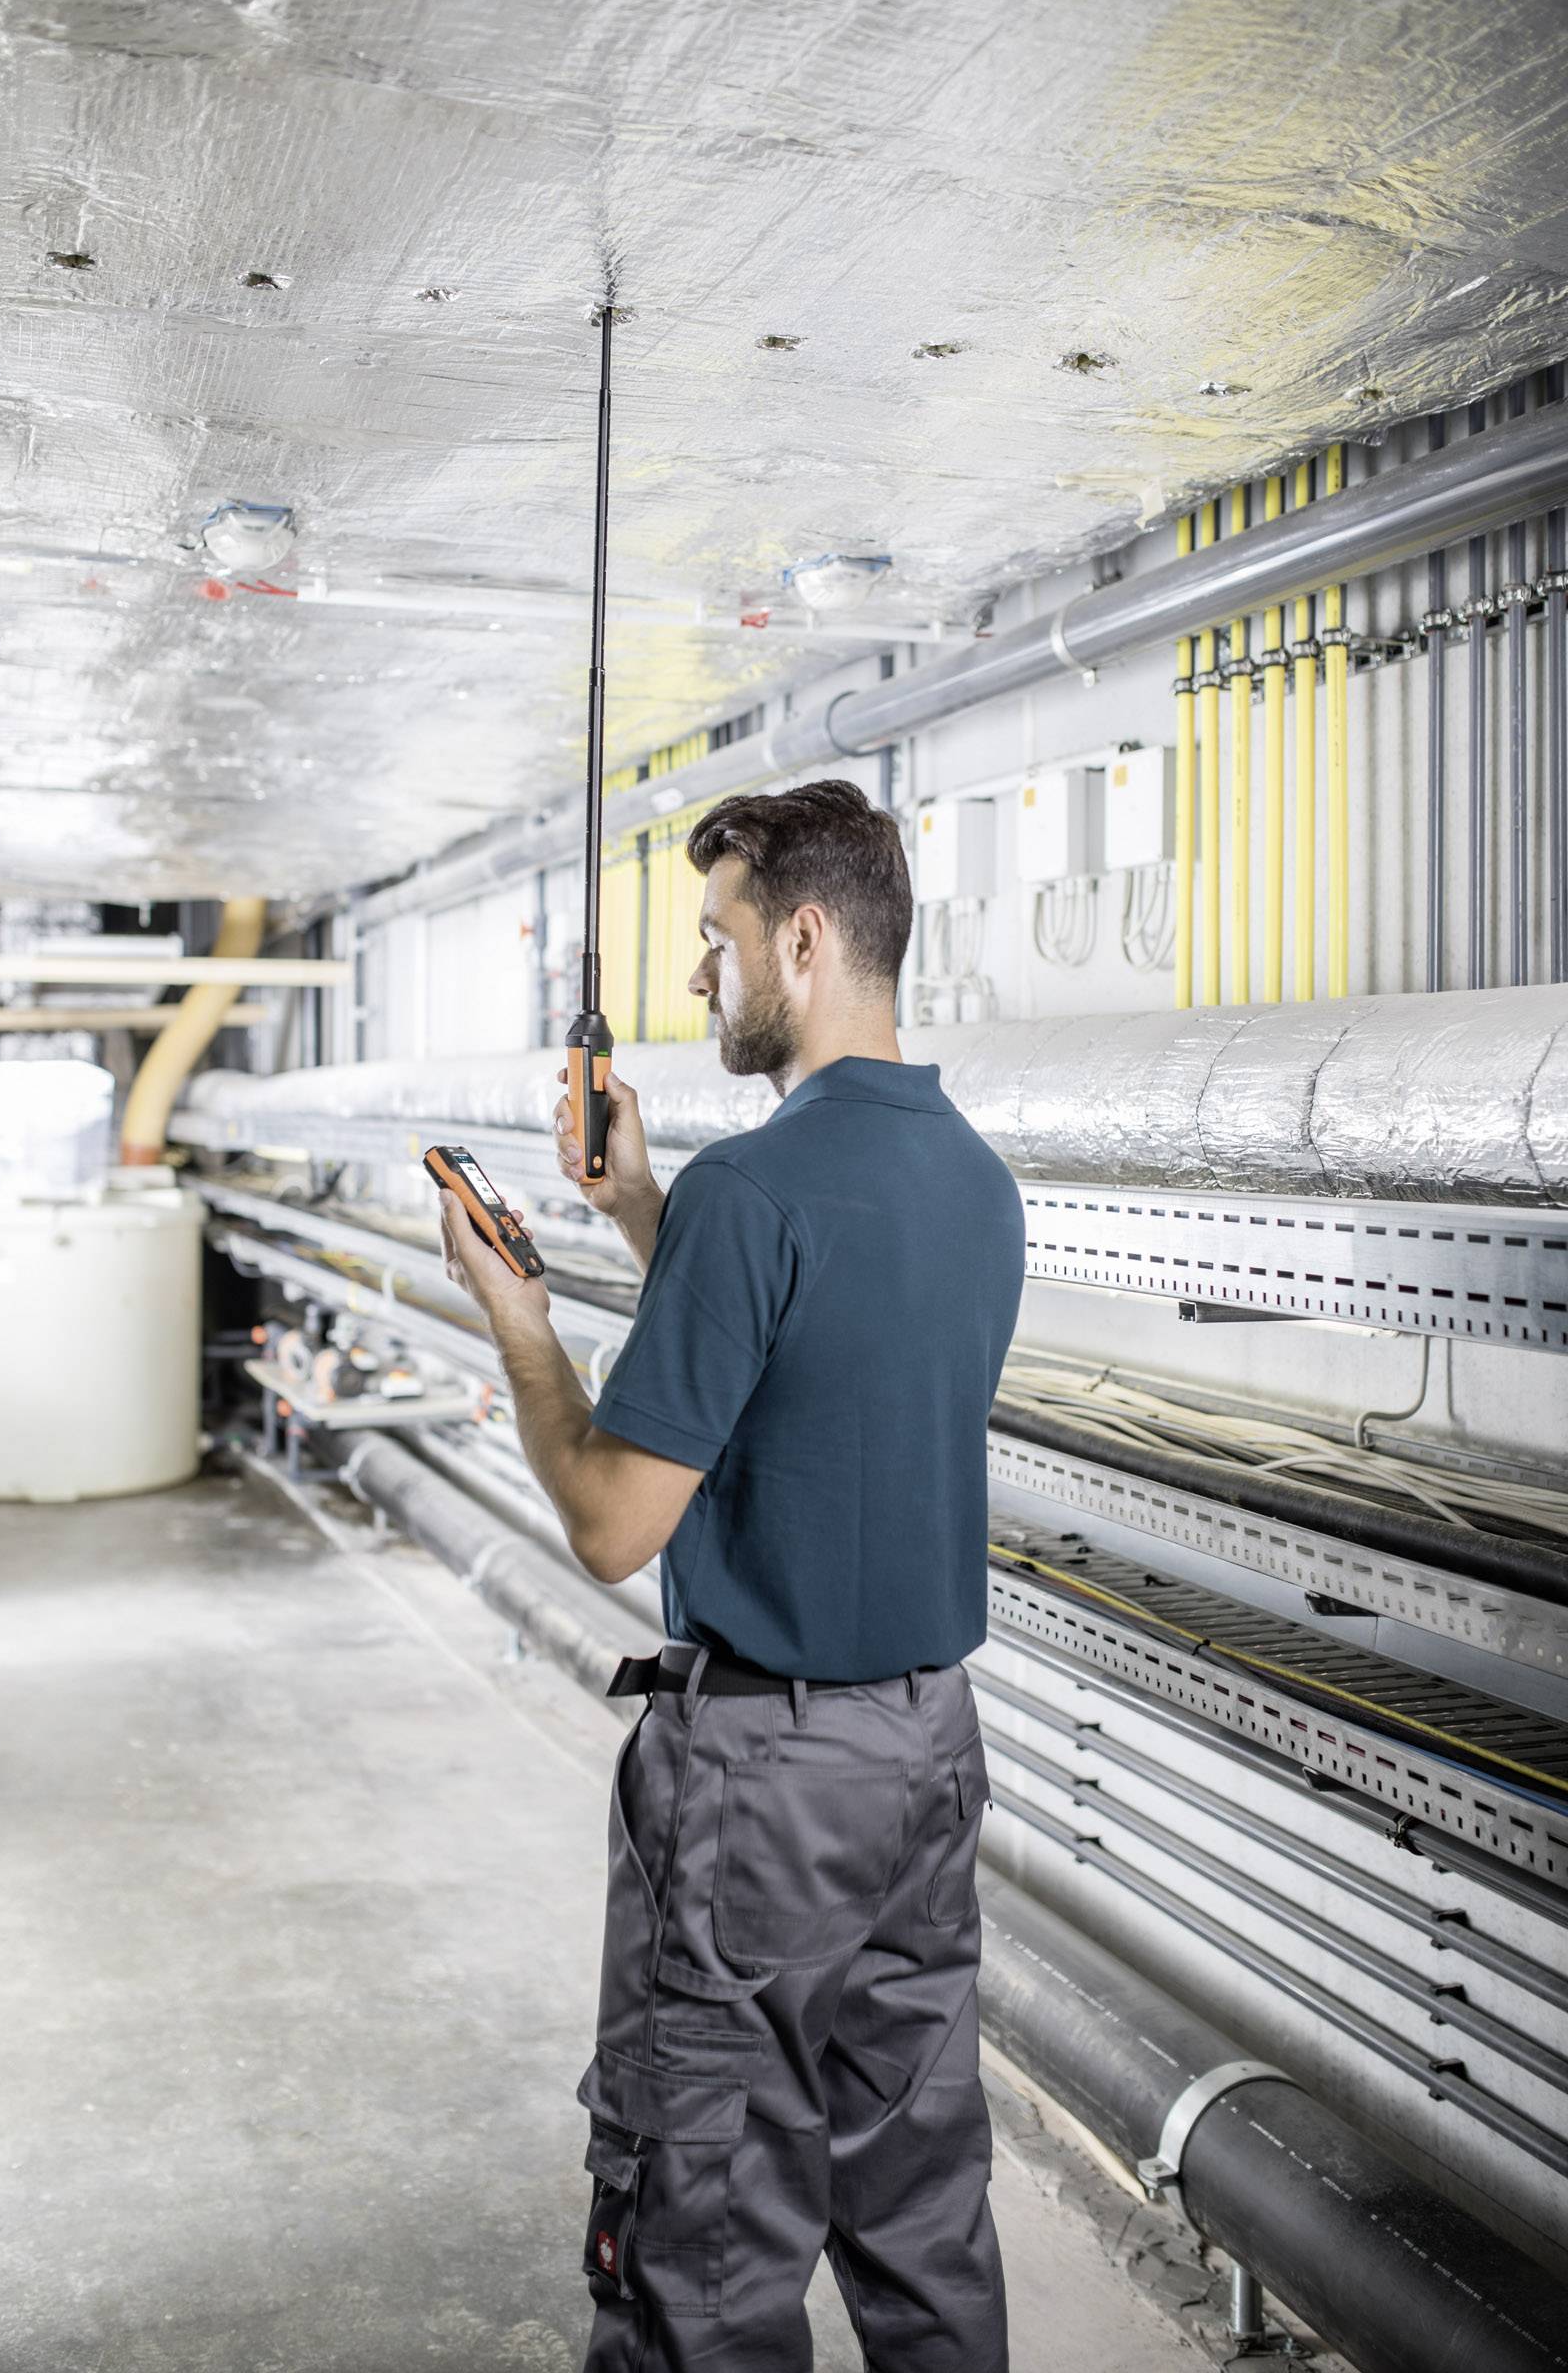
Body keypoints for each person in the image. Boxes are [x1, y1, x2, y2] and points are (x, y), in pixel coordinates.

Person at [437, 777, 1025, 2372]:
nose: (701, 979)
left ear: (807, 941)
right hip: (925, 1755)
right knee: (918, 2211)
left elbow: (618, 1520)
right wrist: (644, 1216)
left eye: (719, 940)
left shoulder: (756, 1196)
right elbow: (814, 1378)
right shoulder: (974, 1182)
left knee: (700, 2235)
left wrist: (527, 1335)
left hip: (764, 1788)